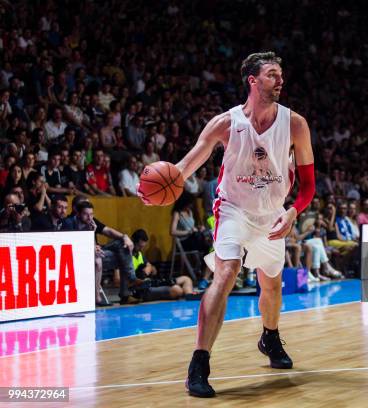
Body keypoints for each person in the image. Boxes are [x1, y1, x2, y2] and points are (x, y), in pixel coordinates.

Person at [139, 52, 315, 398]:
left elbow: (308, 185)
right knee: (227, 271)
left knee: (272, 287)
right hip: (233, 208)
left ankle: (270, 336)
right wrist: (155, 190)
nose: (280, 80)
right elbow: (184, 167)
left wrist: (294, 211)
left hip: (272, 213)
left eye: (281, 75)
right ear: (253, 80)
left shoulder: (296, 124)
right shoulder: (225, 123)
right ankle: (199, 361)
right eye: (272, 74)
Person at [62, 200, 139, 305]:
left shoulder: (91, 221)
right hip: (78, 257)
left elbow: (109, 231)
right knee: (98, 259)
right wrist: (91, 243)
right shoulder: (69, 223)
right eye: (85, 214)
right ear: (78, 213)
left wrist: (125, 237)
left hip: (94, 252)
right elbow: (69, 246)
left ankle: (131, 281)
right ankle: (97, 297)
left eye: (91, 214)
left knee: (123, 247)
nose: (89, 217)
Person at [131, 229, 194, 301]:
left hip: (152, 283)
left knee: (186, 279)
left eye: (143, 247)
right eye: (139, 246)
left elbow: (154, 270)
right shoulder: (127, 257)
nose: (141, 249)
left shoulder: (139, 254)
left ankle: (190, 298)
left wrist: (150, 268)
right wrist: (141, 279)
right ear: (133, 242)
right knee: (177, 290)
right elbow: (121, 281)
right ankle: (184, 294)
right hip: (142, 289)